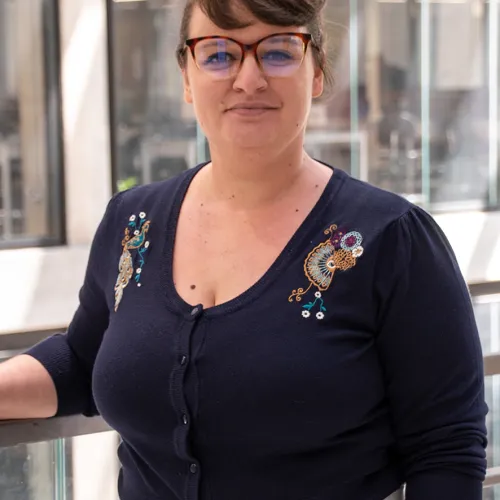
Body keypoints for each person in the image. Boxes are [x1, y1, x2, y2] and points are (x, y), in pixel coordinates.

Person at [0, 0, 488, 499]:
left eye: (278, 52)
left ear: (317, 72)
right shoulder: (132, 222)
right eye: (217, 54)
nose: (248, 79)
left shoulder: (393, 240)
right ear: (187, 79)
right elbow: (86, 358)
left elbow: (446, 448)